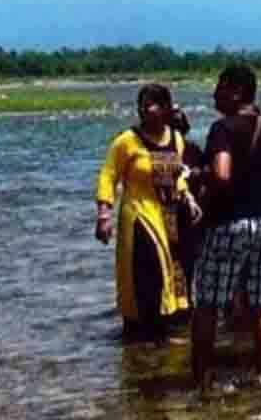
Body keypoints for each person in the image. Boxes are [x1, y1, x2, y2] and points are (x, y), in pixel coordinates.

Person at [190, 65, 261, 389]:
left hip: (231, 223)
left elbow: (222, 174)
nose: (214, 94)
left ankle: (202, 380)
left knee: (207, 304)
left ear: (236, 91)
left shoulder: (223, 128)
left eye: (219, 87)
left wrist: (198, 175)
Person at [94, 84, 200, 341]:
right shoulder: (126, 141)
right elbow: (108, 176)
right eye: (141, 103)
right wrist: (104, 214)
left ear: (165, 108)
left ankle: (164, 329)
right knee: (147, 269)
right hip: (139, 214)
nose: (143, 109)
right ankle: (142, 329)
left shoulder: (175, 139)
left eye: (150, 103)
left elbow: (178, 176)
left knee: (173, 271)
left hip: (170, 216)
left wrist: (188, 197)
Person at [170, 108, 207, 286]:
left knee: (188, 263)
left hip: (191, 214)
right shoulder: (159, 152)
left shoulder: (194, 150)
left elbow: (205, 180)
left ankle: (186, 303)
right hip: (170, 214)